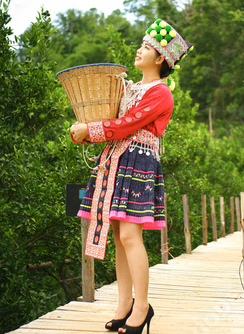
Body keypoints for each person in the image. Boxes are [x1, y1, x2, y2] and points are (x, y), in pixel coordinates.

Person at [70, 19, 193, 334]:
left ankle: (142, 306)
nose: (139, 51)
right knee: (119, 239)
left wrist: (92, 131)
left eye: (147, 48)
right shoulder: (127, 87)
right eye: (141, 45)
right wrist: (84, 130)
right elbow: (110, 118)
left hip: (138, 164)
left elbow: (125, 125)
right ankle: (125, 304)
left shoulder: (161, 94)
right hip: (115, 161)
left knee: (129, 236)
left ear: (161, 59)